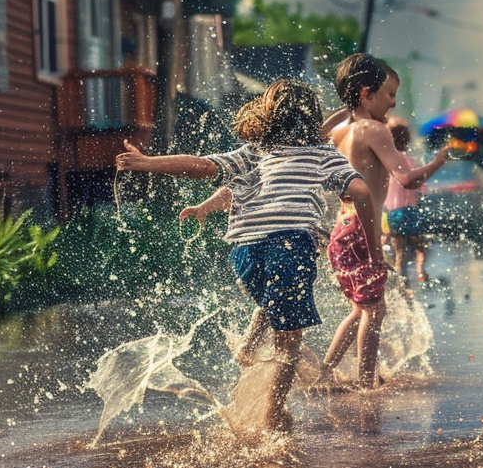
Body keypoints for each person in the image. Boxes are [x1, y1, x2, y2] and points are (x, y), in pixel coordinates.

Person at [115, 79, 379, 433]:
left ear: (266, 119)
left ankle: (249, 350)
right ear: (311, 120)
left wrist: (148, 163)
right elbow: (361, 191)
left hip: (244, 253)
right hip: (290, 247)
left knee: (273, 305)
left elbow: (203, 167)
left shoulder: (252, 154)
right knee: (290, 343)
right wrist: (374, 249)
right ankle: (271, 418)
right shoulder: (321, 155)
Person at [320, 54, 449, 388]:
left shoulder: (340, 131)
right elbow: (406, 179)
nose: (393, 103)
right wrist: (437, 162)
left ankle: (324, 372)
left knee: (361, 309)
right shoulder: (375, 130)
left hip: (342, 229)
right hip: (362, 229)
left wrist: (345, 107)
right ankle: (365, 384)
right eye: (389, 94)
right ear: (366, 94)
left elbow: (318, 132)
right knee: (375, 311)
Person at [383, 121, 432, 282]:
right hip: (409, 211)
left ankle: (399, 275)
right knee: (420, 246)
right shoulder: (408, 161)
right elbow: (421, 187)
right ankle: (420, 272)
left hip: (392, 213)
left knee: (399, 249)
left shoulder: (386, 163)